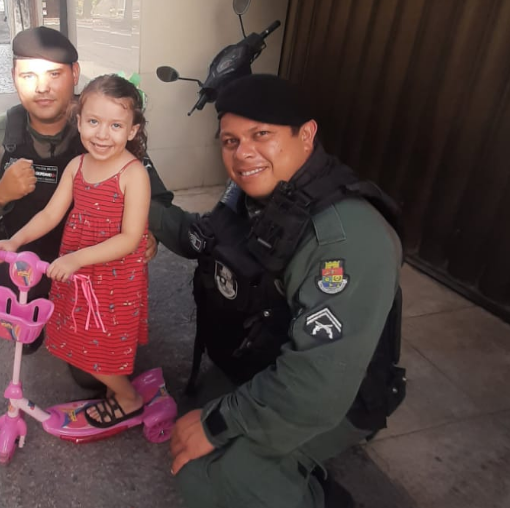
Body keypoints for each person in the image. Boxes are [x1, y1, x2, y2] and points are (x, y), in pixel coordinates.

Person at [154, 74, 406, 508]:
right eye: (230, 141)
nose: (242, 153)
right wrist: (133, 193)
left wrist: (218, 424)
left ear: (306, 135)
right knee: (189, 425)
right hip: (263, 361)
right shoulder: (254, 196)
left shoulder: (345, 239)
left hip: (336, 395)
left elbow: (318, 387)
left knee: (206, 472)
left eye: (261, 135)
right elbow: (201, 238)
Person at [0, 27, 177, 363]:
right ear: (14, 77)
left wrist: (148, 233)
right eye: (28, 75)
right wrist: (0, 193)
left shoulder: (103, 123)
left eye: (54, 74)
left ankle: (52, 318)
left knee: (92, 373)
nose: (42, 87)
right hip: (26, 255)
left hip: (90, 261)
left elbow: (157, 198)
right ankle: (32, 315)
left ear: (75, 74)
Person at [0, 74, 152, 426]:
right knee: (80, 335)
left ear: (132, 130)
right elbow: (50, 214)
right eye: (93, 121)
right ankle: (116, 387)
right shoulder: (77, 166)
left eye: (116, 125)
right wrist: (13, 242)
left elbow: (130, 238)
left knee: (101, 342)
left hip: (113, 278)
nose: (102, 134)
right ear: (79, 121)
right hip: (78, 275)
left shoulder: (133, 174)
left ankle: (128, 398)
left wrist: (76, 259)